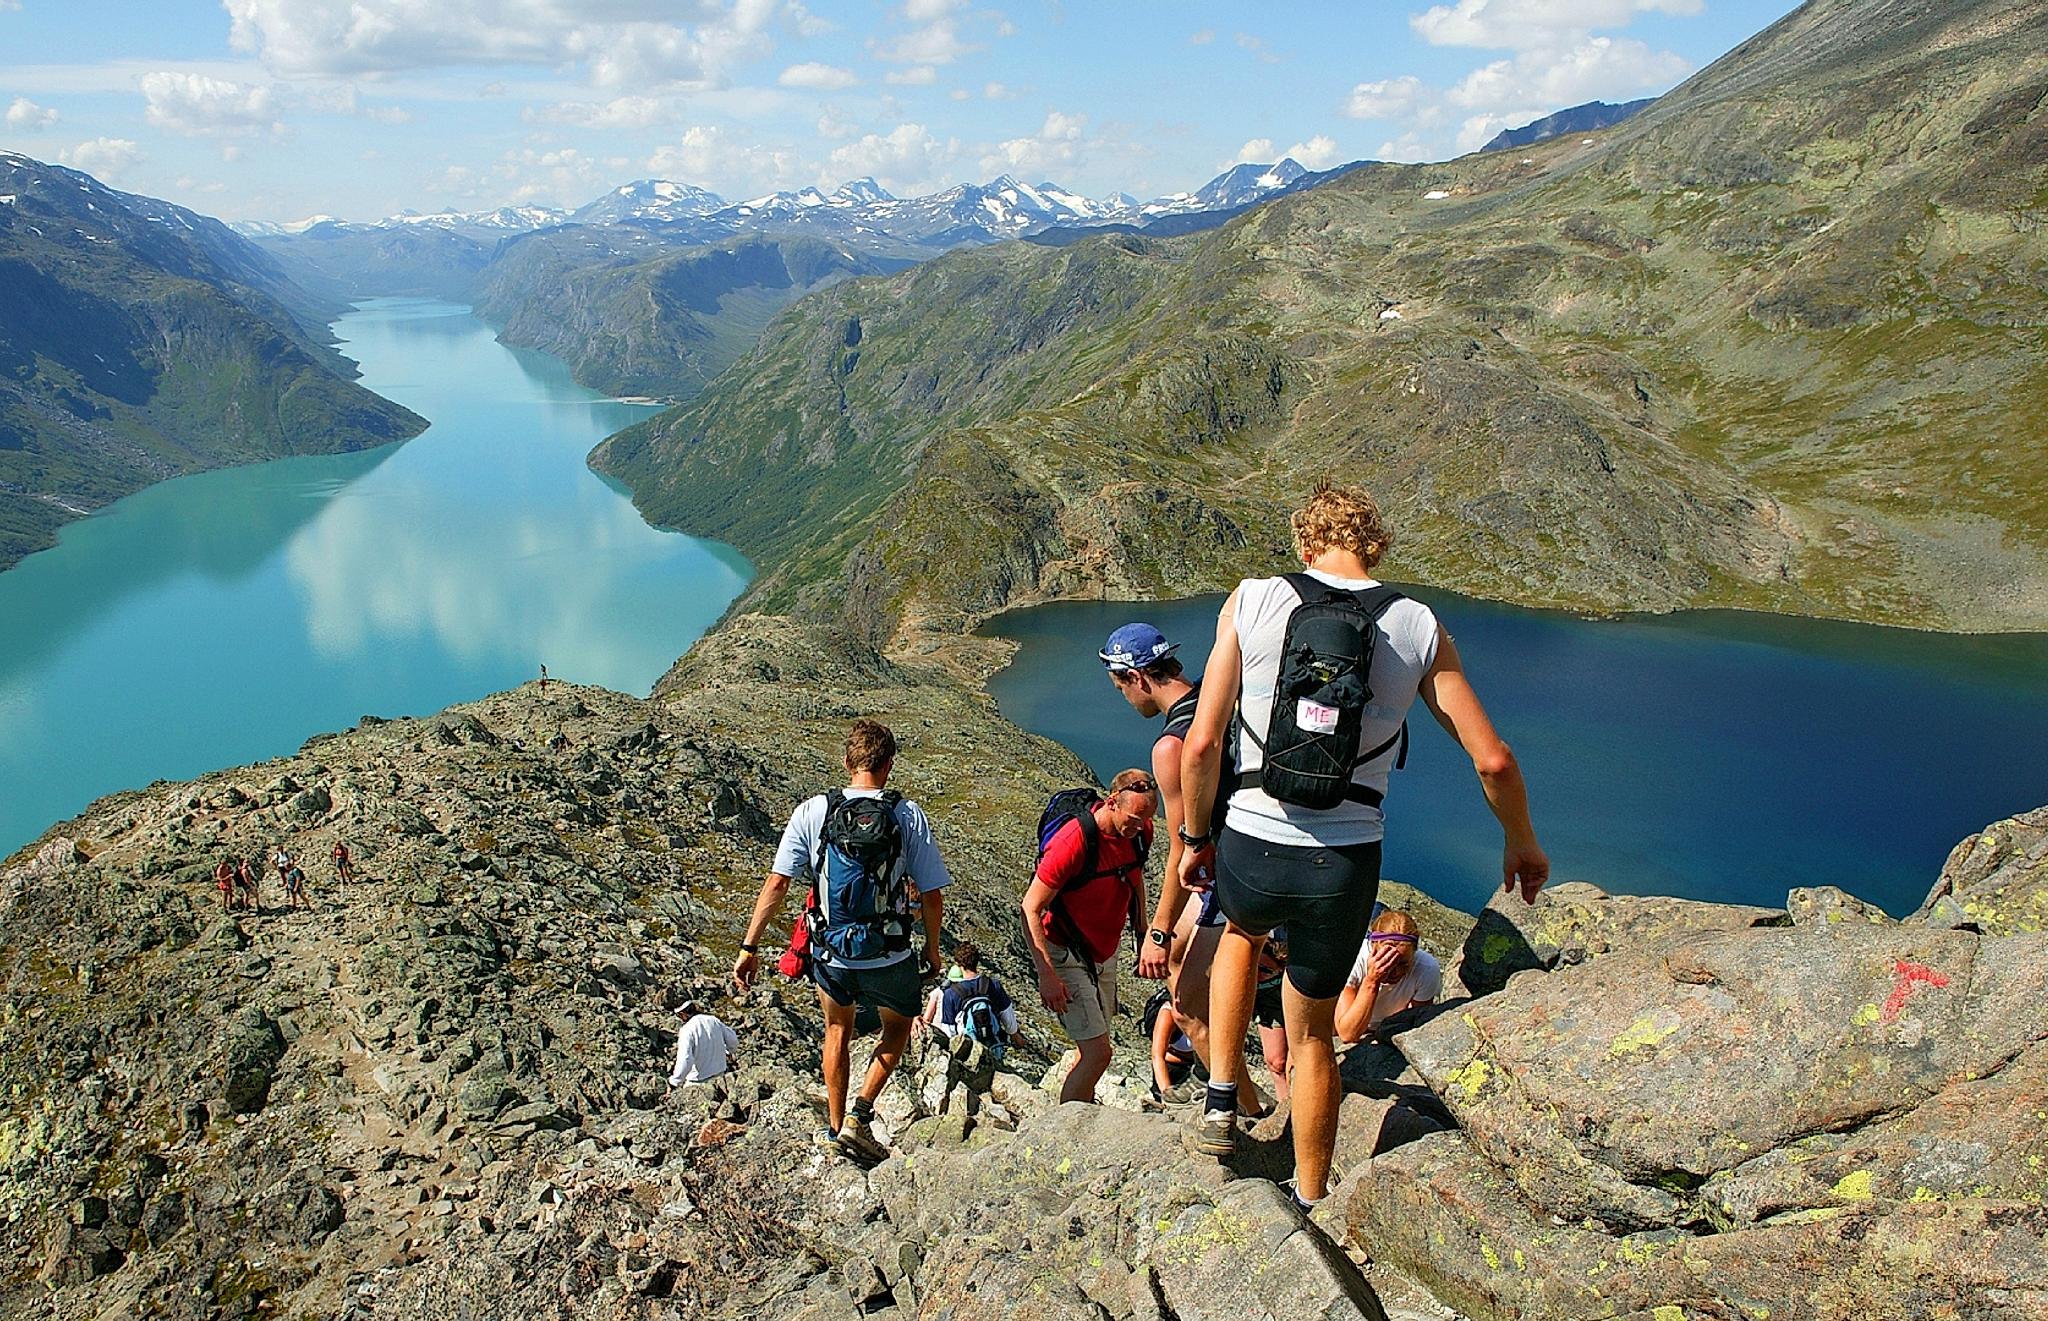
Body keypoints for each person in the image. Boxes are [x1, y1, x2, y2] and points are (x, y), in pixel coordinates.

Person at [1176, 481, 1549, 1211]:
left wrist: (1194, 837)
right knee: (1314, 1034)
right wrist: (1522, 842)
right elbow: (1494, 760)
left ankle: (1220, 1098)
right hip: (1344, 860)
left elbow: (1200, 745)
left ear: (1305, 542)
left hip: (1252, 835)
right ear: (1375, 546)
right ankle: (1312, 1197)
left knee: (1242, 935)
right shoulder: (1417, 625)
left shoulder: (1251, 600)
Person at [732, 720, 950, 1160]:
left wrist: (749, 947)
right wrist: (931, 949)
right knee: (897, 1029)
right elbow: (931, 895)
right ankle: (860, 1116)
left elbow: (777, 883)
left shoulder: (813, 811)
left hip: (832, 955)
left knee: (836, 1031)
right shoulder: (906, 814)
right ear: (889, 765)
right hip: (889, 954)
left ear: (847, 761)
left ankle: (835, 1130)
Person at [1100, 622, 1239, 1107]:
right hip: (1271, 846)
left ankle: (1242, 1105)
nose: (1124, 697)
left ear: (1137, 677)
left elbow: (1184, 847)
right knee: (1182, 957)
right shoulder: (1217, 695)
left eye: (1120, 686)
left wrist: (1156, 933)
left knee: (1185, 1008)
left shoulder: (1171, 745)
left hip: (1228, 871)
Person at [1021, 768, 1157, 1104]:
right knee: (1098, 1053)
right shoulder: (1074, 841)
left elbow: (1134, 876)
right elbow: (1030, 908)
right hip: (1065, 953)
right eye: (1134, 819)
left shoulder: (1139, 832)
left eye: (1147, 819)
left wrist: (1143, 933)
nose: (1140, 826)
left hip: (1104, 954)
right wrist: (1046, 976)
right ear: (1112, 802)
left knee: (1095, 1048)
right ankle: (1068, 1125)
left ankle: (1081, 1106)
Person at [1336, 909, 1441, 1043]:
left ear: (1414, 953)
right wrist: (1372, 981)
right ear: (1372, 948)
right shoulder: (1353, 959)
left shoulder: (1427, 968)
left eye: (1403, 963)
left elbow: (1418, 1020)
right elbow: (1347, 1034)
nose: (1395, 971)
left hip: (1388, 1029)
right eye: (1386, 961)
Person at [934, 942, 1018, 1053]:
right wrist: (1015, 1036)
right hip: (994, 1044)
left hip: (968, 1050)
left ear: (958, 964)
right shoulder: (993, 984)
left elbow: (948, 1029)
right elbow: (1008, 1016)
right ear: (977, 962)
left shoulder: (951, 993)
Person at [1145, 986, 1201, 1105]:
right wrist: (1167, 1095)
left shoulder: (1213, 1011)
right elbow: (1157, 1056)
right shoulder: (1169, 1012)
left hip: (1201, 1070)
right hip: (1174, 1069)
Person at [668, 1000, 739, 1087]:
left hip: (698, 1082)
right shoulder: (713, 1020)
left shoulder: (687, 1030)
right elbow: (733, 1040)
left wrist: (675, 1081)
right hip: (720, 1078)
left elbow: (685, 1059)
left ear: (683, 1014)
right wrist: (728, 1051)